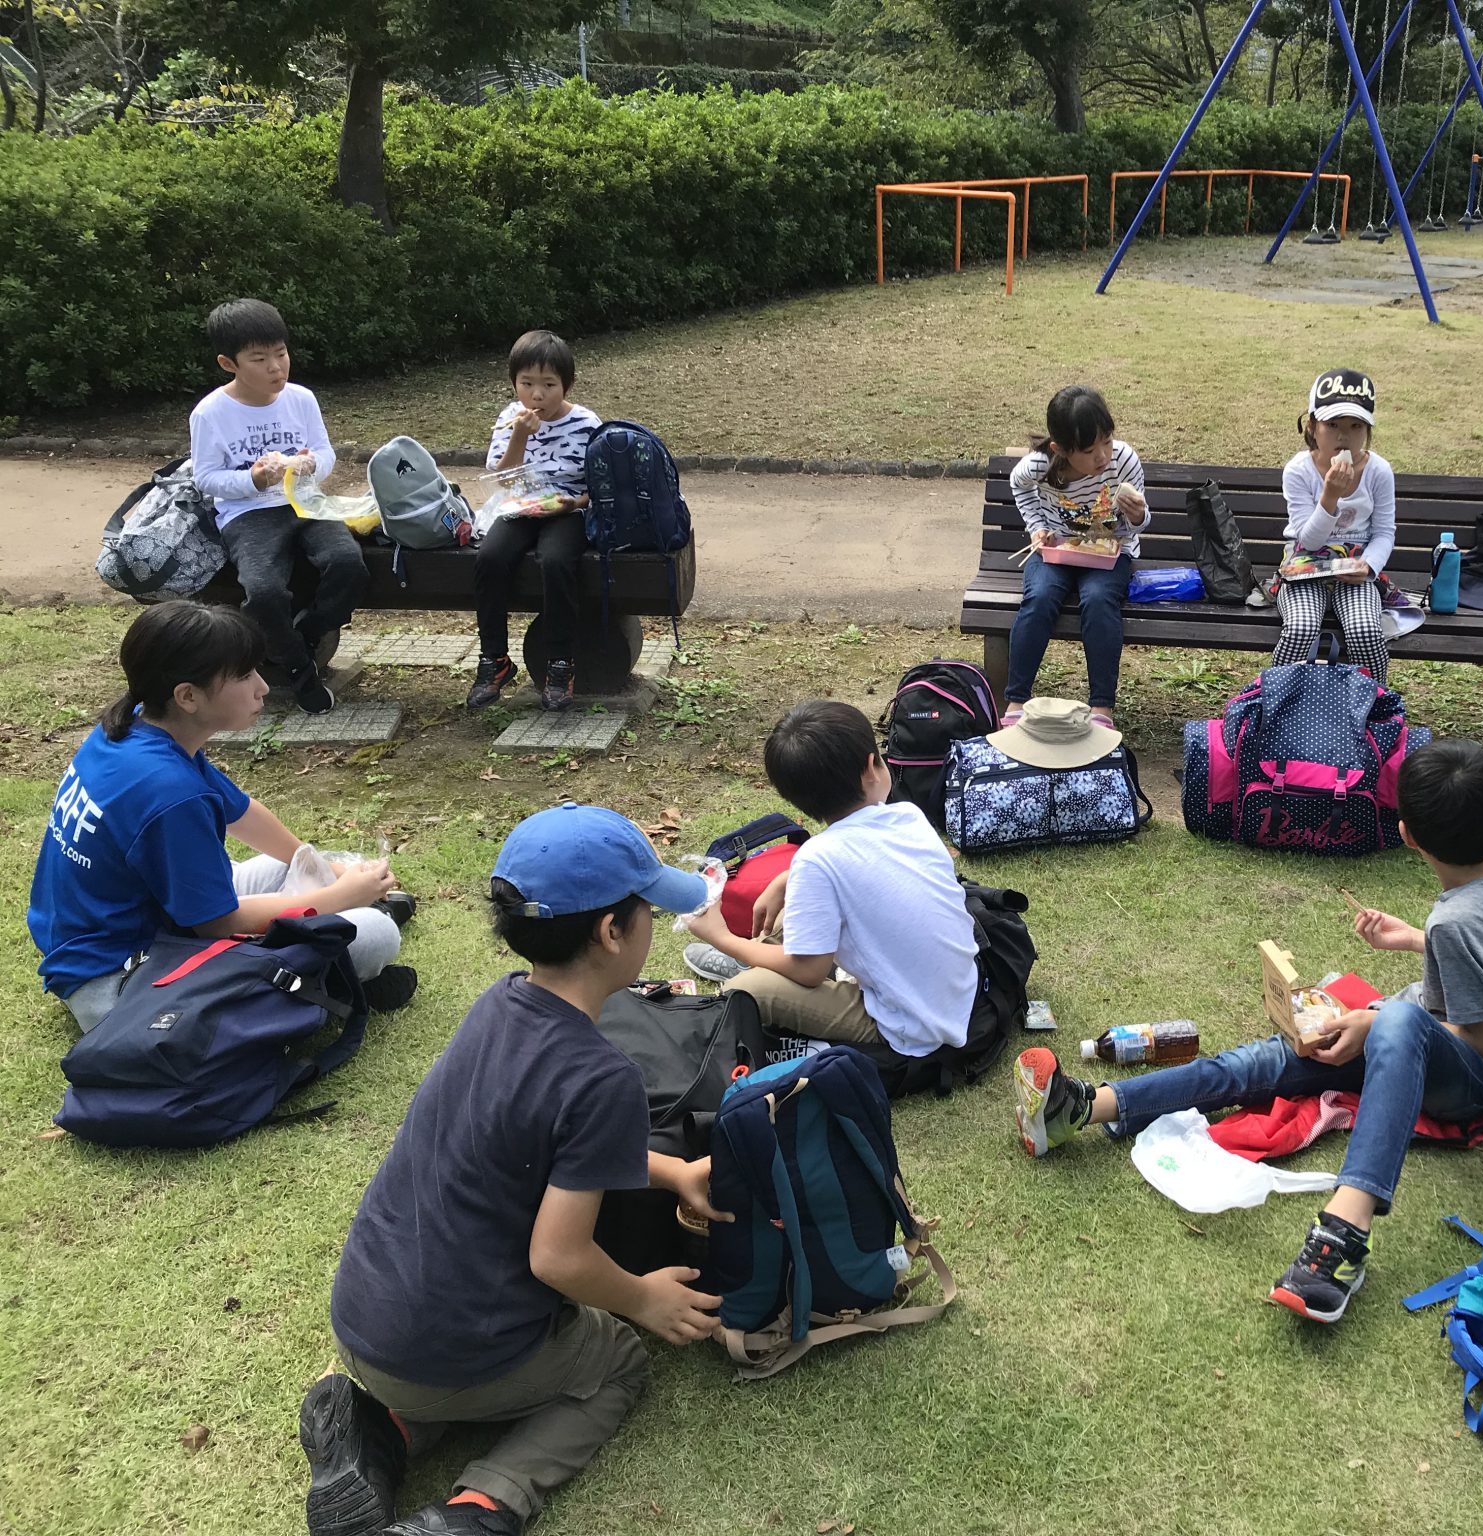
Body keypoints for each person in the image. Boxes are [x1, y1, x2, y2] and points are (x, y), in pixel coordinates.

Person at [1012, 738, 1483, 1327]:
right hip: (1419, 1036)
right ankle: (1084, 1107)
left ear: (1407, 834)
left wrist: (1378, 1021)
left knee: (1393, 1019)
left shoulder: (1456, 922)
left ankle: (1344, 1233)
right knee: (1269, 1060)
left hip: (1479, 1079)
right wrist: (1416, 941)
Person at [303, 804, 729, 1536]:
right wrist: (643, 1299)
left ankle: (380, 1432)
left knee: (462, 1375)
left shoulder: (497, 1006)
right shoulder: (601, 1077)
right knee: (616, 1360)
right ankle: (480, 1509)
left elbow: (538, 1141)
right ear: (612, 932)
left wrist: (670, 1173)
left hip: (364, 1317)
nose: (653, 928)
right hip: (444, 1350)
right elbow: (559, 1259)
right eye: (650, 912)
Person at [27, 601, 413, 1032]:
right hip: (123, 984)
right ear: (187, 696)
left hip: (125, 933)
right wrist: (341, 896)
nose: (262, 687)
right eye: (244, 676)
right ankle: (332, 983)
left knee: (291, 864)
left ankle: (331, 946)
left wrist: (331, 871)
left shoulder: (133, 725)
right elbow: (219, 924)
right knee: (374, 934)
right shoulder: (171, 792)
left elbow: (241, 812)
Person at [682, 700, 980, 1066]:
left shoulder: (818, 858)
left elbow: (809, 972)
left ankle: (746, 962)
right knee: (795, 913)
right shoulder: (908, 816)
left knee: (745, 991)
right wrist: (788, 879)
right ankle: (756, 958)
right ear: (872, 768)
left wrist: (723, 938)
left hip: (910, 1026)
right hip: (959, 993)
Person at [189, 298, 366, 715]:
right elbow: (206, 478)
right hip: (248, 514)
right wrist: (252, 480)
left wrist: (310, 465)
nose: (276, 367)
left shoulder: (301, 399)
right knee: (265, 592)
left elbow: (324, 453)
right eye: (259, 359)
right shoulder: (211, 413)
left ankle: (310, 632)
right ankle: (300, 668)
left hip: (303, 503)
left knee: (348, 564)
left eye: (281, 353)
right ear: (228, 363)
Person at [468, 329, 605, 713]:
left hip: (568, 510)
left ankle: (560, 663)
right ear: (514, 383)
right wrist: (520, 437)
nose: (537, 395)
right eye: (527, 384)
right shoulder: (510, 419)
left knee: (556, 561)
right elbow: (501, 481)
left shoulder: (586, 423)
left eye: (548, 385)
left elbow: (600, 485)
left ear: (566, 385)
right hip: (520, 506)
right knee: (490, 557)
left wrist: (574, 503)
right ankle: (494, 659)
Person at [1000, 385, 1149, 729]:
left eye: (1107, 442)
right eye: (1089, 450)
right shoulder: (1040, 465)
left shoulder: (1124, 460)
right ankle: (1016, 701)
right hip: (1057, 549)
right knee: (1039, 597)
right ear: (1060, 449)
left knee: (1098, 599)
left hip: (1109, 553)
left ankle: (1102, 709)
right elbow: (1018, 483)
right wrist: (1037, 526)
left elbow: (1139, 524)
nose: (1102, 456)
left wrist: (1138, 515)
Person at [1272, 367, 1397, 681]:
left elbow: (1384, 532)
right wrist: (1329, 496)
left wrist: (1369, 565)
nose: (1344, 436)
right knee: (1301, 627)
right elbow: (1309, 541)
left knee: (1365, 629)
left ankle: (1369, 701)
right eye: (1332, 425)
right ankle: (1282, 698)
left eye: (1356, 426)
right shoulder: (1299, 471)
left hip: (1355, 568)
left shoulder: (1378, 471)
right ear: (1312, 427)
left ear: (1367, 431)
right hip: (1305, 565)